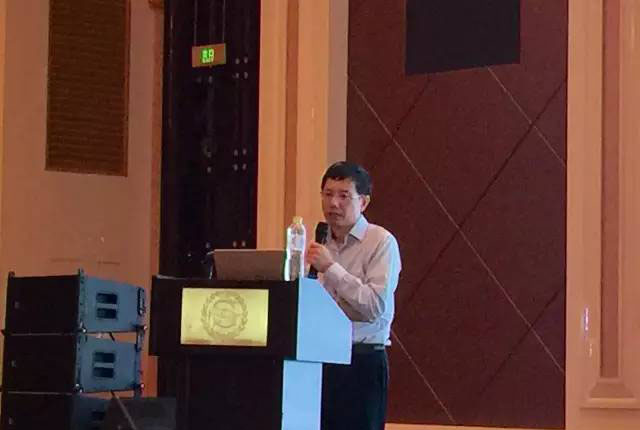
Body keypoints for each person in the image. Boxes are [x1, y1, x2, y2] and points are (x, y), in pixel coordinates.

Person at [306, 161, 402, 430]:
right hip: (319, 361)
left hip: (361, 362)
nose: (333, 203)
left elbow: (374, 307)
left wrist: (331, 268)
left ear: (364, 202)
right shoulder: (318, 242)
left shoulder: (381, 242)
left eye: (344, 196)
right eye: (327, 194)